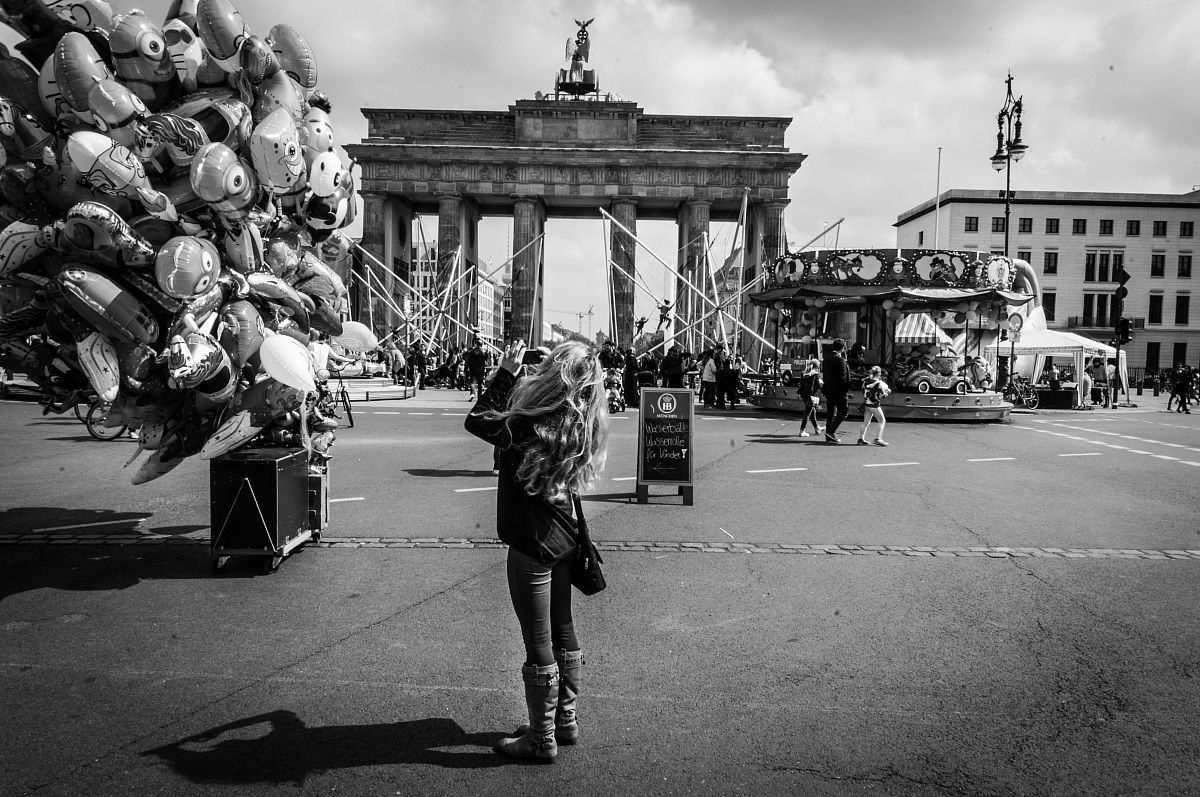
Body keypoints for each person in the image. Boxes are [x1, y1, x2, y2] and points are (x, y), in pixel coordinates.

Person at [464, 339, 609, 764]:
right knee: (563, 627)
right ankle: (565, 719)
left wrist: (506, 372)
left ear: (554, 374)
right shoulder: (580, 421)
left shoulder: (527, 424)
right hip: (565, 535)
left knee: (538, 639)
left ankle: (541, 738)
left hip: (531, 540)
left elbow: (479, 421)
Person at [821, 338, 851, 443]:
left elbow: (825, 375)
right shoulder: (840, 360)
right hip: (839, 390)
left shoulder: (827, 358)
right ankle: (831, 431)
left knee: (831, 413)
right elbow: (843, 378)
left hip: (829, 388)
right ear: (842, 349)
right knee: (843, 411)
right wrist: (845, 390)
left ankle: (829, 436)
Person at [857, 365, 891, 446]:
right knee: (882, 421)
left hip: (866, 404)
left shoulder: (865, 381)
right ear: (879, 374)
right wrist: (888, 392)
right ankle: (878, 438)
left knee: (866, 422)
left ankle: (861, 438)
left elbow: (862, 391)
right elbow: (883, 396)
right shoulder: (880, 383)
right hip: (874, 405)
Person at [796, 358, 822, 437]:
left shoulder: (804, 373)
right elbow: (818, 385)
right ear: (817, 367)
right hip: (811, 396)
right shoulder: (815, 374)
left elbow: (801, 384)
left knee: (812, 411)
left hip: (804, 395)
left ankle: (817, 428)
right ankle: (802, 431)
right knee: (807, 413)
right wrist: (821, 383)